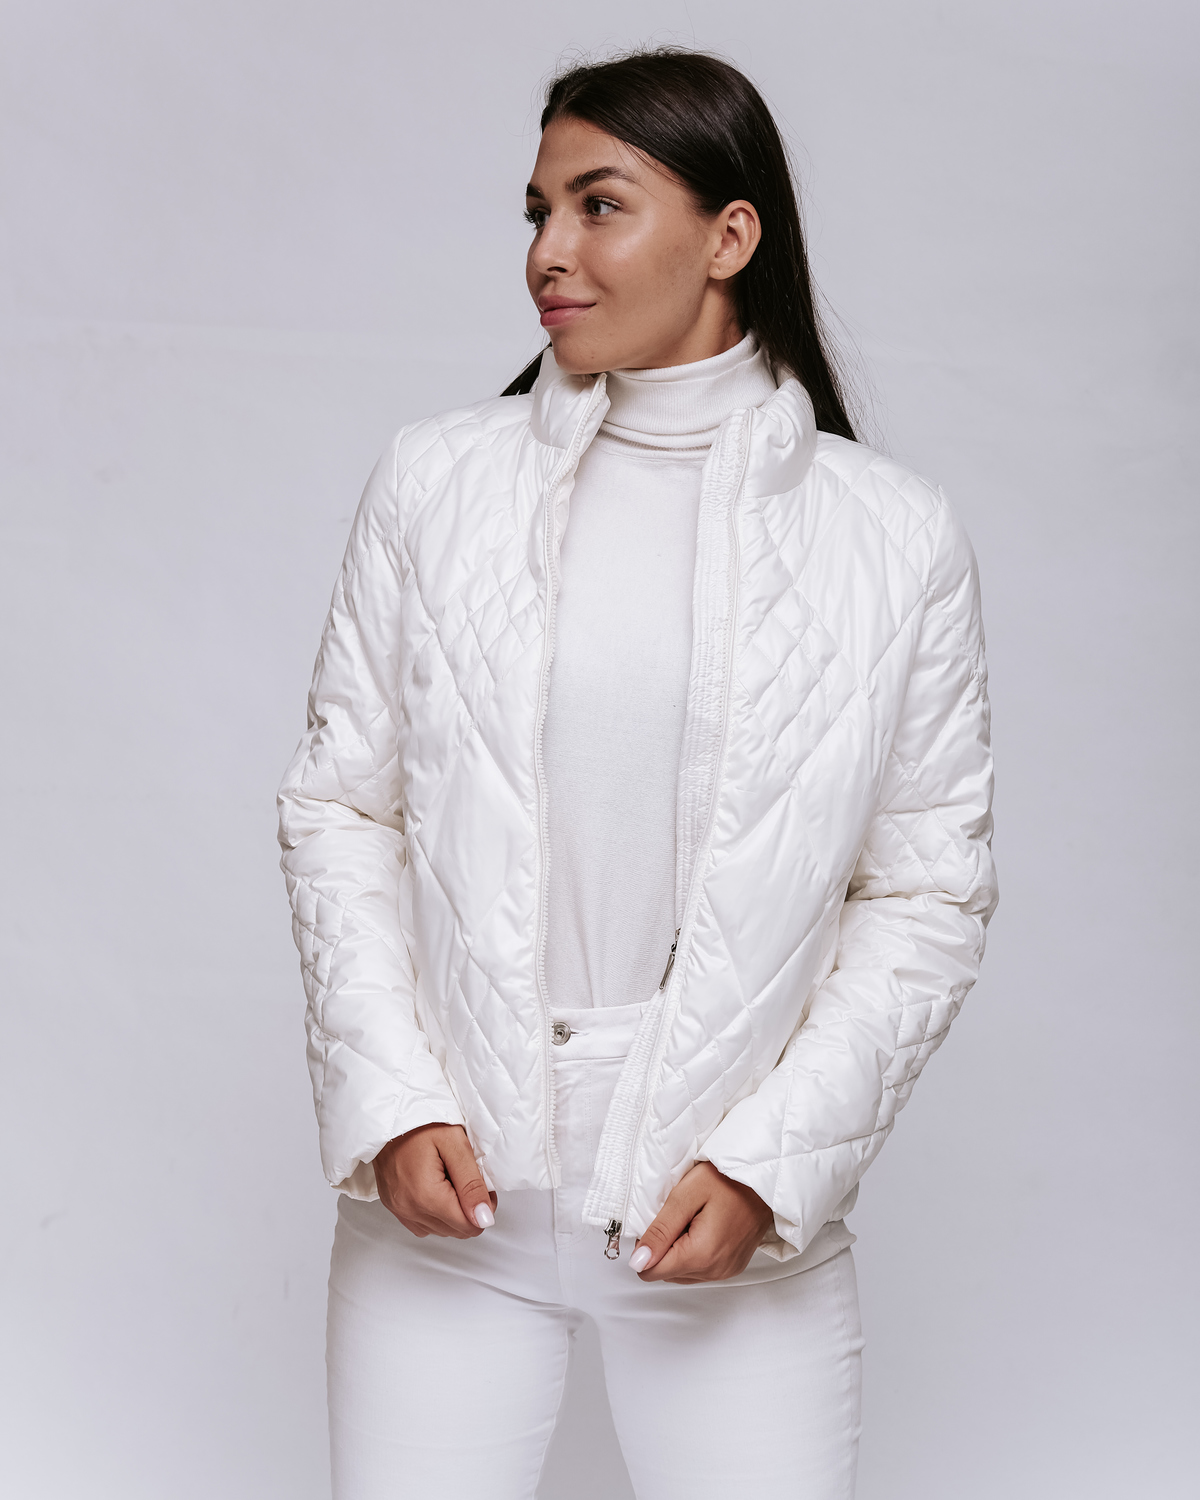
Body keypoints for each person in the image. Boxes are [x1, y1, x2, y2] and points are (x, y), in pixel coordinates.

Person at [277, 46, 997, 1500]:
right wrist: (392, 1101)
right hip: (449, 1219)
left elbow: (928, 891)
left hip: (725, 1222)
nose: (549, 252)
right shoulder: (435, 482)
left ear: (732, 237)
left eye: (599, 206)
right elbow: (342, 806)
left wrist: (771, 1166)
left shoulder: (892, 536)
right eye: (537, 211)